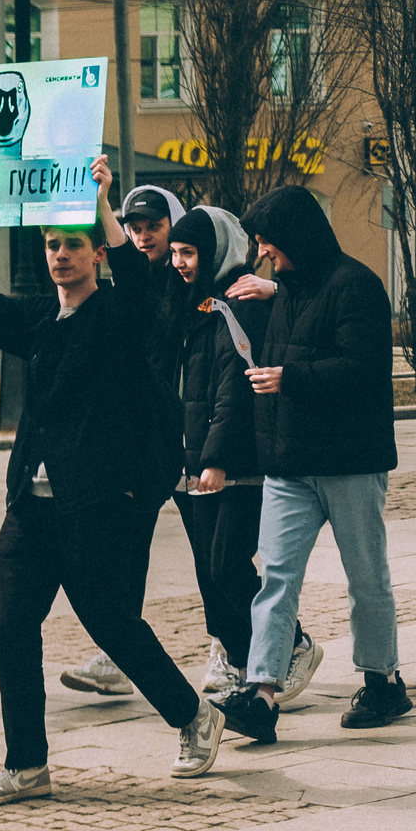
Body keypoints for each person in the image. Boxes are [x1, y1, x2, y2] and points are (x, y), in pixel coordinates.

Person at [0, 169, 224, 794]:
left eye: (74, 245)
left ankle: (192, 715)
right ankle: (27, 765)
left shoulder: (120, 316)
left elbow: (137, 282)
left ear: (96, 252)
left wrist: (101, 203)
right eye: (52, 245)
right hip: (31, 504)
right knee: (13, 629)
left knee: (110, 621)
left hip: (94, 501)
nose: (61, 256)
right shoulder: (38, 319)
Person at [219, 186, 409, 740]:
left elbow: (363, 370)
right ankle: (261, 695)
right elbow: (288, 310)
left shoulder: (358, 286)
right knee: (276, 579)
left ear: (296, 236)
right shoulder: (283, 292)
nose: (263, 251)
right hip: (290, 464)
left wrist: (289, 378)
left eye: (268, 241)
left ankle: (382, 683)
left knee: (366, 578)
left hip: (350, 461)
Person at [164, 207, 315, 712]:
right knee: (214, 576)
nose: (179, 262)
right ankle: (252, 670)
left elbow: (233, 386)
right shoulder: (196, 302)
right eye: (175, 253)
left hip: (239, 463)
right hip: (203, 462)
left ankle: (288, 646)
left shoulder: (237, 301)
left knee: (228, 568)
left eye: (188, 253)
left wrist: (217, 459)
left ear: (213, 252)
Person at [61, 181, 194, 700]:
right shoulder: (131, 287)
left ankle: (255, 646)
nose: (142, 237)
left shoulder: (183, 278)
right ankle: (119, 651)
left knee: (217, 553)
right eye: (133, 228)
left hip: (188, 434)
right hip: (148, 434)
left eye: (152, 227)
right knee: (129, 541)